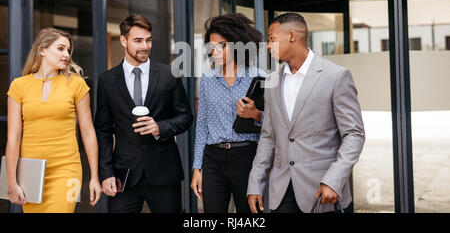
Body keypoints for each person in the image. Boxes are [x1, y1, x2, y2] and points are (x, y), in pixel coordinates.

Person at [247, 12, 365, 213]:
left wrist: (334, 180)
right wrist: (255, 184)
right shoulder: (271, 82)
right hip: (281, 193)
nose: (268, 46)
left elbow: (354, 134)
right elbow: (268, 137)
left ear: (292, 36)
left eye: (272, 39)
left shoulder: (335, 76)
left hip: (322, 191)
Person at [95, 14, 193, 213]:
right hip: (125, 175)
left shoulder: (169, 75)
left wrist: (160, 127)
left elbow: (186, 117)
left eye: (148, 40)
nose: (145, 46)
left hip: (164, 172)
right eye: (138, 40)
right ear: (123, 40)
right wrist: (106, 173)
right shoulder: (106, 80)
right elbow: (103, 131)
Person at [6, 28, 102, 213]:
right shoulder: (19, 86)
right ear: (42, 49)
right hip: (30, 171)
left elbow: (88, 132)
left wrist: (94, 177)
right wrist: (11, 182)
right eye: (60, 48)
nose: (66, 55)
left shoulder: (76, 83)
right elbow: (13, 138)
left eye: (68, 50)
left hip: (67, 169)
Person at [190, 13, 265, 213]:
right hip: (213, 159)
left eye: (222, 45)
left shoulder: (258, 77)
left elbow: (275, 123)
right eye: (211, 46)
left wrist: (256, 114)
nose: (215, 51)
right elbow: (202, 125)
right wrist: (197, 168)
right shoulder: (207, 79)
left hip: (247, 156)